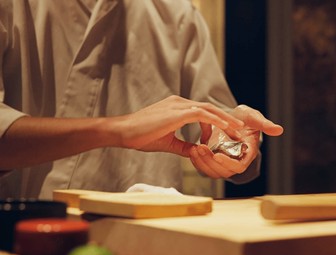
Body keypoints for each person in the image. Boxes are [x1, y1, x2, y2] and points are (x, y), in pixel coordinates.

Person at [0, 0, 283, 199]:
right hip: (22, 228)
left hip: (152, 234)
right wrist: (119, 129)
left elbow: (212, 119)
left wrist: (229, 139)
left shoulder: (177, 13)